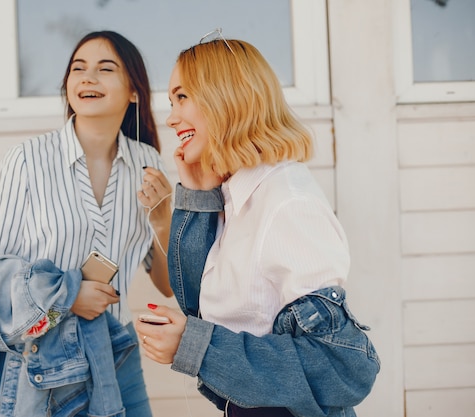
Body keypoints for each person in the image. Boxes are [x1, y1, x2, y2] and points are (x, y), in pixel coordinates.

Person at [134, 34, 380, 417]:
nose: (171, 117)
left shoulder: (287, 202)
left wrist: (194, 345)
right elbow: (198, 304)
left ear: (225, 96)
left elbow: (341, 368)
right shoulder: (235, 196)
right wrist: (198, 196)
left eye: (182, 97)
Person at [0, 30, 173, 417]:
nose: (87, 77)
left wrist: (163, 223)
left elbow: (165, 285)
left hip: (118, 349)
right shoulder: (26, 160)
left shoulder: (150, 164)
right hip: (44, 356)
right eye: (78, 68)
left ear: (134, 91)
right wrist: (68, 296)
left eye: (104, 68)